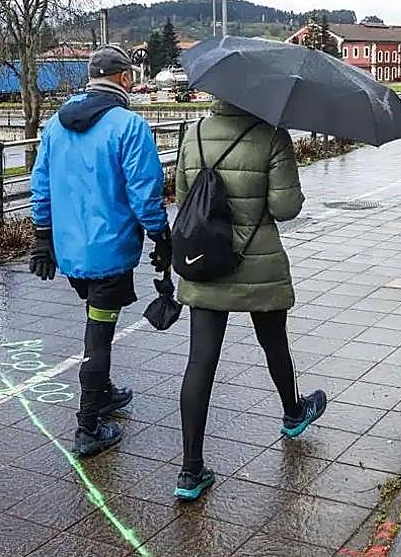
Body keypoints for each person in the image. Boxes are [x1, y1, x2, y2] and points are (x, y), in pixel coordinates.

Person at [171, 99, 328, 501]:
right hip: (258, 264)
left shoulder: (195, 135)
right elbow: (285, 207)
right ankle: (294, 413)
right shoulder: (272, 135)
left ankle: (190, 471)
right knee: (275, 345)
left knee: (200, 361)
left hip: (206, 262)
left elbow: (184, 196)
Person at [29, 44, 172, 457]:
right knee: (99, 336)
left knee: (95, 318)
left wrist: (42, 236)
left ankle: (104, 392)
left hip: (70, 251)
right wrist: (161, 235)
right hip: (109, 252)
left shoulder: (56, 125)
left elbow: (40, 186)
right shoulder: (129, 126)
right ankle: (88, 426)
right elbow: (145, 195)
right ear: (125, 78)